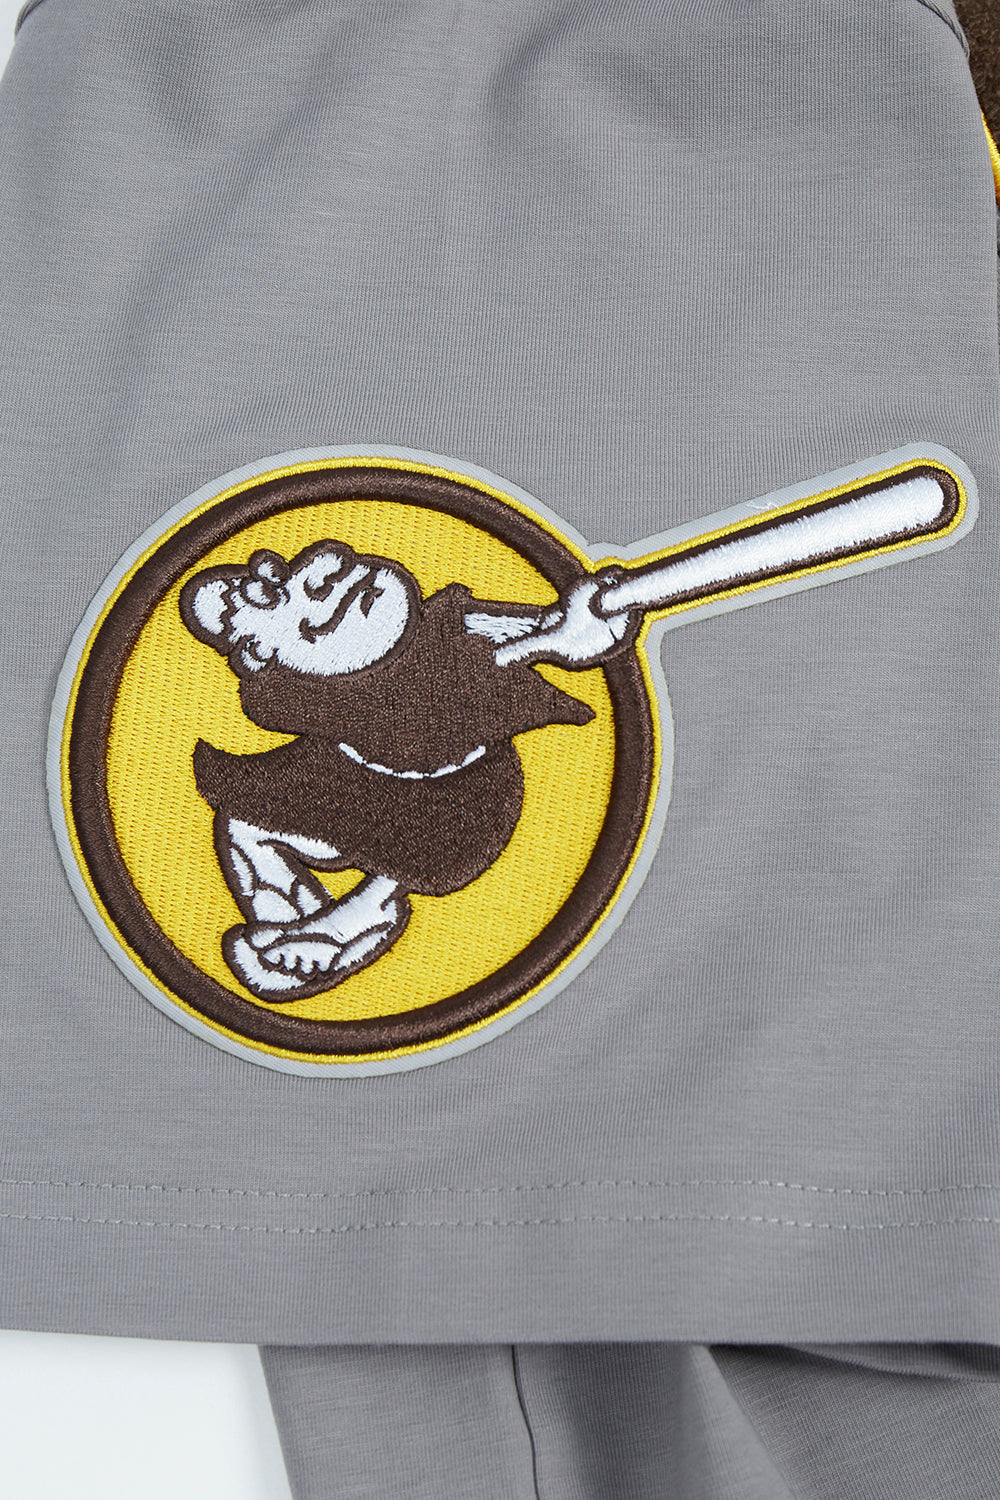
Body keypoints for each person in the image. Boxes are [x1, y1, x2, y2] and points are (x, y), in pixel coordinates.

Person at [3, 0, 1000, 1495]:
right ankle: (330, 910)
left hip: (488, 771)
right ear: (281, 678)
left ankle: (350, 905)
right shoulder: (333, 687)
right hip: (410, 157)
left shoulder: (460, 618)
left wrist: (577, 630)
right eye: (278, 609)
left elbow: (531, 650)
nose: (303, 576)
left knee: (769, 1246)